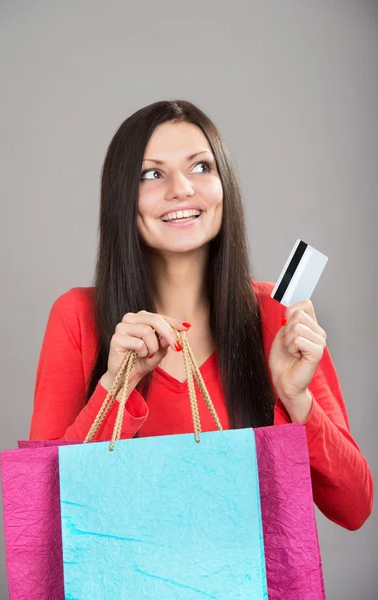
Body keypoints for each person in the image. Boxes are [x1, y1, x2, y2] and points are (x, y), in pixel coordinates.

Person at [29, 99, 373, 531]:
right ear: (122, 198)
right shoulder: (76, 316)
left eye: (200, 167)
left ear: (224, 184)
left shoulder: (278, 314)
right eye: (152, 174)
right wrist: (115, 389)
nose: (181, 189)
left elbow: (355, 507)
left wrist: (295, 397)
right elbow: (39, 515)